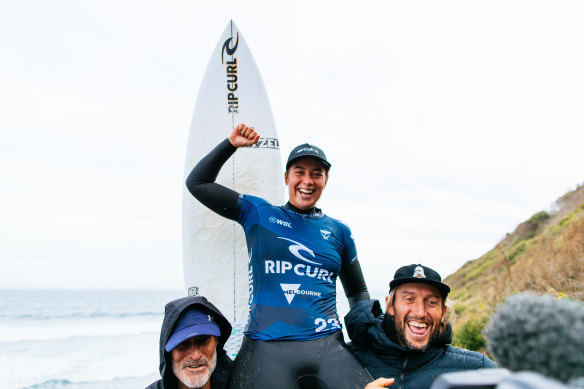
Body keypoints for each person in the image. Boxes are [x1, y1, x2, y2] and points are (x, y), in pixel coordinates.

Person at [186, 123, 372, 388]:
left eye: (316, 174)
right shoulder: (258, 213)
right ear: (286, 177)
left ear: (325, 180)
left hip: (328, 347)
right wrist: (231, 144)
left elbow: (358, 292)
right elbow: (197, 183)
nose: (308, 181)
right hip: (264, 348)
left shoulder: (339, 232)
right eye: (300, 172)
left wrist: (366, 332)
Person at [345, 264, 497, 389]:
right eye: (409, 299)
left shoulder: (478, 369)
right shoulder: (345, 360)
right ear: (390, 306)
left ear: (443, 312)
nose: (420, 312)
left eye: (431, 302)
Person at [146, 296, 233, 389]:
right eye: (183, 344)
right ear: (169, 353)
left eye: (203, 341)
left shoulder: (243, 382)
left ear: (217, 341)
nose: (196, 356)